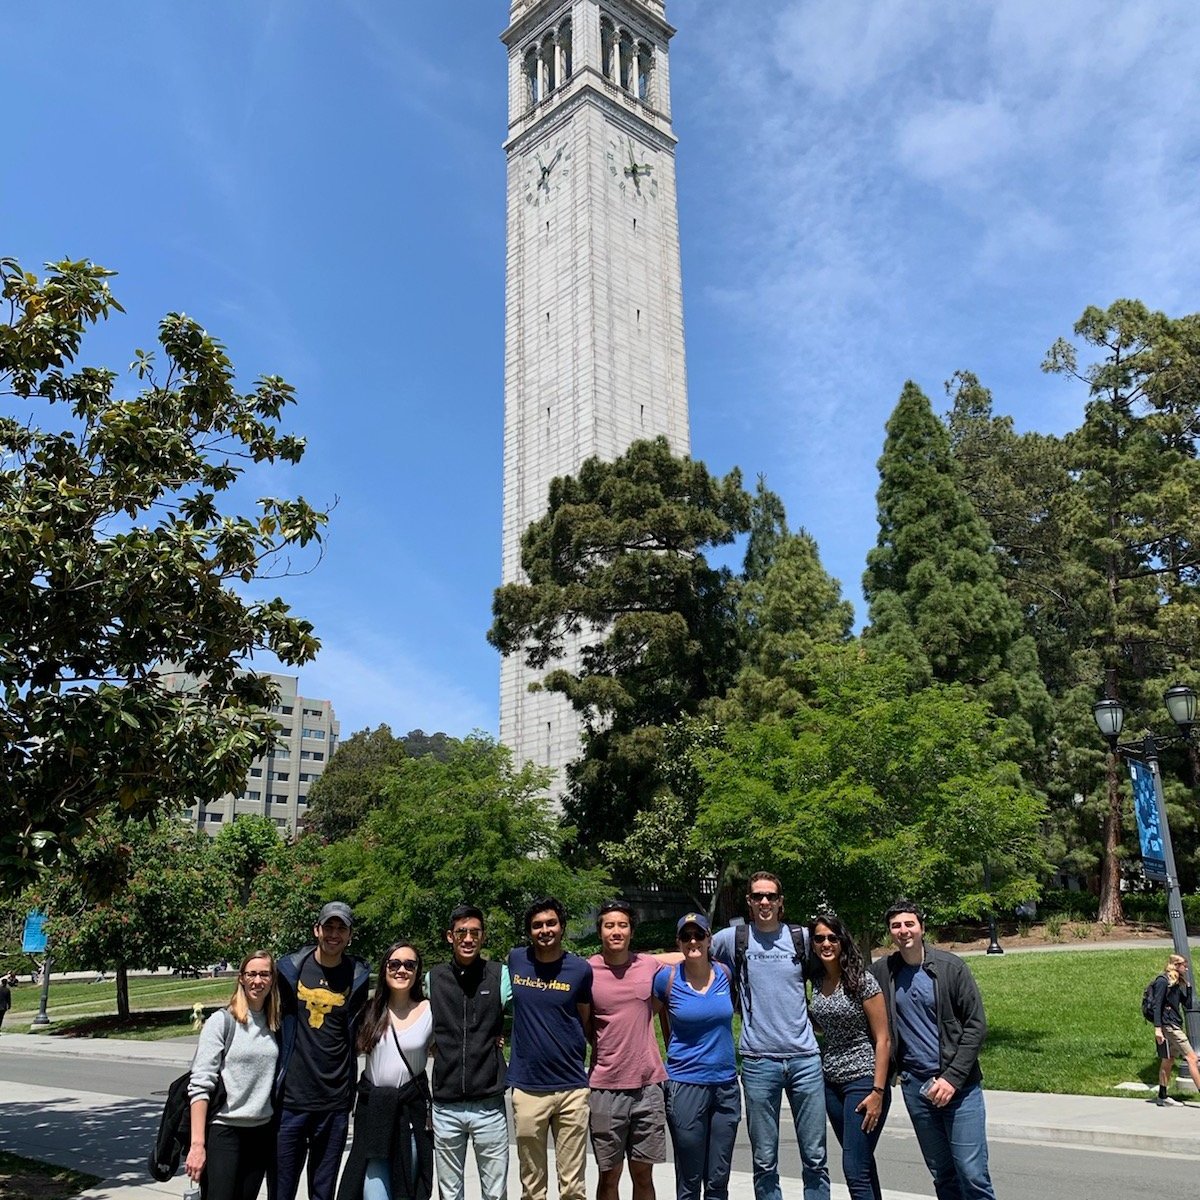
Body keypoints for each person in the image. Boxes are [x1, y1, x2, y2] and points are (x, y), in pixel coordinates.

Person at [710, 872, 828, 1200]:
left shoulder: (802, 937)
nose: (765, 902)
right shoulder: (732, 939)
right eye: (758, 896)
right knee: (764, 1160)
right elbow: (691, 955)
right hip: (759, 1061)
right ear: (749, 901)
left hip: (805, 1059)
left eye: (771, 896)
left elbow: (837, 969)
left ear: (781, 902)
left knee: (816, 1158)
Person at [869, 899, 995, 1200]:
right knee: (942, 1174)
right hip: (917, 1089)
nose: (903, 931)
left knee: (972, 1172)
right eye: (896, 926)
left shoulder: (952, 969)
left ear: (922, 927)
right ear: (890, 932)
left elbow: (976, 1026)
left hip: (959, 1088)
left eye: (909, 924)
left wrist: (952, 1079)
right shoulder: (883, 972)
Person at [276, 901, 373, 1200]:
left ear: (349, 935)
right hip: (291, 1101)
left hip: (334, 1102)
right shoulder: (289, 971)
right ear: (316, 930)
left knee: (323, 1191)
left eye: (341, 928)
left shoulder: (357, 977)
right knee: (281, 1190)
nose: (334, 934)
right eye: (328, 926)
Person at [507, 896, 593, 1200]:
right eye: (537, 925)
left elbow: (584, 1018)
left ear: (562, 926)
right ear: (529, 931)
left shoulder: (579, 969)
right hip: (528, 1088)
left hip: (571, 1087)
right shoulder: (516, 960)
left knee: (573, 1187)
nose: (545, 929)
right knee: (532, 1187)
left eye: (551, 923)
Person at [652, 913, 739, 1200]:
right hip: (685, 1084)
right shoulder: (668, 978)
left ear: (709, 939)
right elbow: (640, 1020)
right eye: (686, 936)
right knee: (689, 1180)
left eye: (699, 935)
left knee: (718, 1179)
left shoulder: (725, 974)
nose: (693, 941)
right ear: (678, 941)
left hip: (725, 1086)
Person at [338, 941, 434, 1200]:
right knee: (374, 1191)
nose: (401, 970)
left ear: (417, 971)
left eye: (409, 965)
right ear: (384, 969)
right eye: (394, 964)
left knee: (406, 1189)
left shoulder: (430, 1012)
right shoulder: (369, 1011)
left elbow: (453, 1045)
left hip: (410, 1115)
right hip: (374, 1115)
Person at [428, 905, 511, 1200]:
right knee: (450, 1195)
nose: (468, 938)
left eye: (474, 932)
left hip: (489, 1105)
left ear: (483, 937)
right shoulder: (432, 978)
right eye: (461, 932)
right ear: (450, 936)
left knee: (495, 1193)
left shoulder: (499, 975)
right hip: (445, 1107)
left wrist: (503, 1038)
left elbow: (529, 1012)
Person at [588, 900, 669, 1200]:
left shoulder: (647, 964)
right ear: (600, 932)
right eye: (609, 925)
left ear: (632, 931)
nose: (616, 931)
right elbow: (584, 1023)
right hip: (605, 1087)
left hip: (647, 1086)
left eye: (622, 925)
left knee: (643, 1176)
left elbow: (683, 958)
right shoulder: (588, 970)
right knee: (608, 1176)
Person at [806, 914, 890, 1200]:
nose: (826, 943)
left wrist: (878, 1091)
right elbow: (822, 1022)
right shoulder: (815, 981)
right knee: (862, 1164)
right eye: (819, 938)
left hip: (863, 1081)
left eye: (832, 937)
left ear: (842, 941)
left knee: (854, 1169)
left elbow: (883, 1039)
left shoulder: (862, 981)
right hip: (831, 1082)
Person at [186, 950, 281, 1200]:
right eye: (251, 974)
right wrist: (197, 1145)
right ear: (241, 978)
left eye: (264, 974)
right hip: (225, 1131)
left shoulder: (275, 1023)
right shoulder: (222, 1021)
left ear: (272, 979)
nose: (257, 981)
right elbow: (200, 1084)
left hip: (261, 1133)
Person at [1150, 953, 1200, 1104]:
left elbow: (1188, 1006)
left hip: (1175, 1024)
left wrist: (1189, 988)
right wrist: (1158, 1028)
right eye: (1184, 964)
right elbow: (1157, 1005)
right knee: (1192, 1058)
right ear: (1176, 965)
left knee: (1168, 1060)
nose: (1187, 966)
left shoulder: (1177, 982)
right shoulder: (1163, 981)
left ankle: (1162, 1096)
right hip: (1169, 1026)